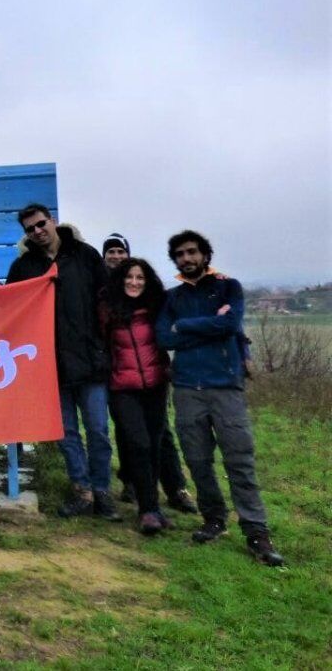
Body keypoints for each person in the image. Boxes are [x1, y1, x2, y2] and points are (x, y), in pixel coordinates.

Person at [155, 231, 284, 566]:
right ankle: (213, 518)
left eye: (192, 252)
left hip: (226, 386)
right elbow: (163, 338)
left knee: (239, 461)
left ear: (205, 255)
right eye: (180, 254)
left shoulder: (229, 287)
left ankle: (256, 531)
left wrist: (185, 327)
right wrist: (205, 326)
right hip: (186, 388)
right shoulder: (172, 298)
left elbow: (229, 325)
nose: (187, 258)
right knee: (197, 461)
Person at [7, 204, 119, 521]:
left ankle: (102, 492)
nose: (37, 231)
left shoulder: (85, 255)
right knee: (66, 433)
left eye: (41, 224)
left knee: (98, 430)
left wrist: (103, 345)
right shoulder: (23, 267)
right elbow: (9, 309)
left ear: (52, 221)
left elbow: (107, 301)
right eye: (30, 229)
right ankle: (81, 490)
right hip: (50, 366)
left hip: (90, 361)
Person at [102, 234, 197, 515]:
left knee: (158, 438)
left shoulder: (156, 301)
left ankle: (175, 487)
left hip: (154, 381)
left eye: (121, 251)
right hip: (121, 381)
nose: (117, 256)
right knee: (132, 437)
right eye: (112, 252)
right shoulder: (105, 300)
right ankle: (137, 490)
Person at [103, 258, 174, 535]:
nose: (134, 282)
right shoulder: (108, 310)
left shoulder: (158, 307)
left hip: (156, 385)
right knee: (139, 444)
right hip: (122, 387)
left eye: (140, 278)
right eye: (129, 277)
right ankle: (146, 510)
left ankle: (152, 506)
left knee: (154, 445)